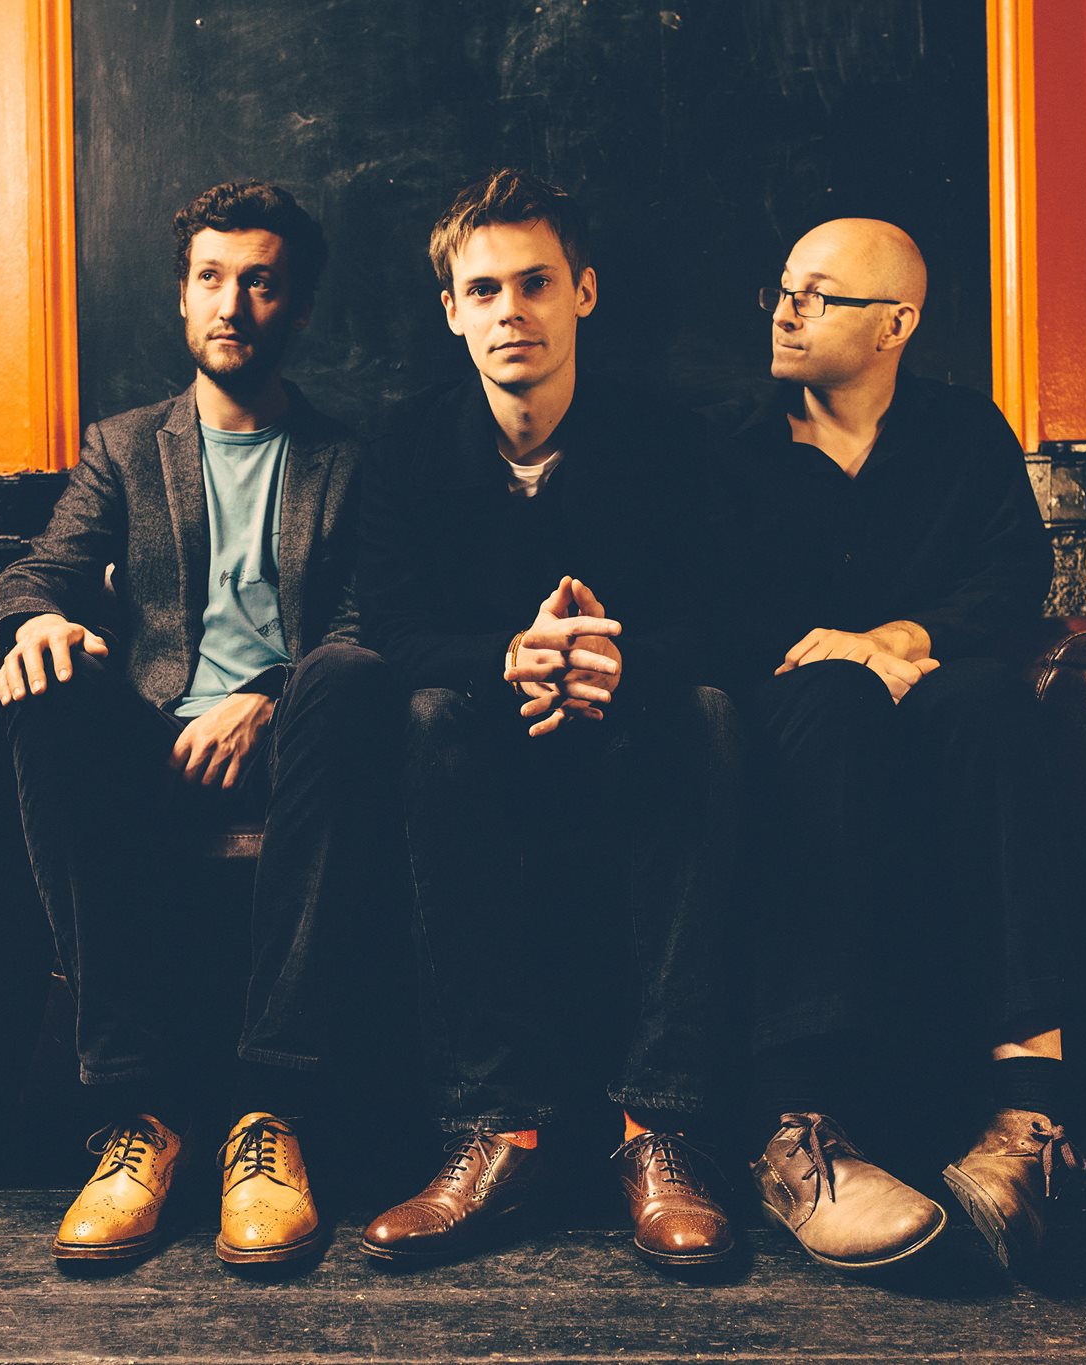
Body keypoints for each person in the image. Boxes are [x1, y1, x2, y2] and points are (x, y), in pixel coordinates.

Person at [0, 180, 390, 1269]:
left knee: (349, 676)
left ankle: (269, 1112)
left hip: (299, 744)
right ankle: (141, 1115)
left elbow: (364, 619)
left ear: (296, 305)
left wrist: (267, 693)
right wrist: (35, 622)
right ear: (182, 295)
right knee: (48, 681)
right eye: (210, 277)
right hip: (149, 737)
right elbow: (36, 571)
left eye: (259, 282)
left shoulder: (346, 457)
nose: (231, 303)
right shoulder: (124, 448)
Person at [356, 169, 743, 1270]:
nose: (509, 311)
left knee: (710, 713)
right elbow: (388, 629)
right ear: (451, 311)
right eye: (483, 290)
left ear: (584, 292)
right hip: (481, 737)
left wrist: (618, 662)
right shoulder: (405, 445)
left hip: (633, 728)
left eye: (534, 283)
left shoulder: (668, 439)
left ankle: (659, 1128)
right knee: (427, 715)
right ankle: (497, 1130)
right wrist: (507, 657)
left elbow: (724, 621)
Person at [717, 217, 1075, 1275]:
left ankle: (1027, 1118)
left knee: (989, 702)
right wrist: (834, 657)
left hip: (928, 710)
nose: (785, 311)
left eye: (818, 295)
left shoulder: (962, 432)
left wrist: (899, 639)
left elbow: (1012, 578)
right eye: (784, 288)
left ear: (895, 324)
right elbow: (701, 600)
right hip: (787, 720)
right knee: (832, 699)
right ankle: (802, 1123)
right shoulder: (727, 444)